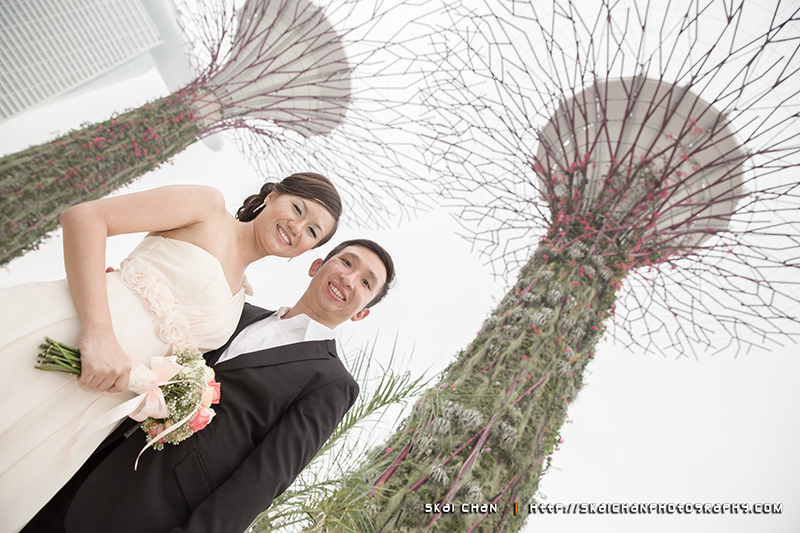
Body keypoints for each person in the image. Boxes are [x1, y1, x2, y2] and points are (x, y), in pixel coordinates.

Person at [0, 172, 342, 532]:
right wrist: (98, 330)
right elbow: (85, 217)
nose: (297, 227)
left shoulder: (241, 304)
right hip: (70, 336)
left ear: (307, 251)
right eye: (297, 208)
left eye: (312, 231)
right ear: (272, 196)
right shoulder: (208, 207)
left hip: (99, 396)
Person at [26, 238, 395, 533]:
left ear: (362, 312)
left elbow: (264, 478)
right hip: (80, 458)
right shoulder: (235, 311)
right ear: (317, 265)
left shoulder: (331, 383)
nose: (349, 278)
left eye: (366, 282)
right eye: (347, 262)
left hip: (146, 510)